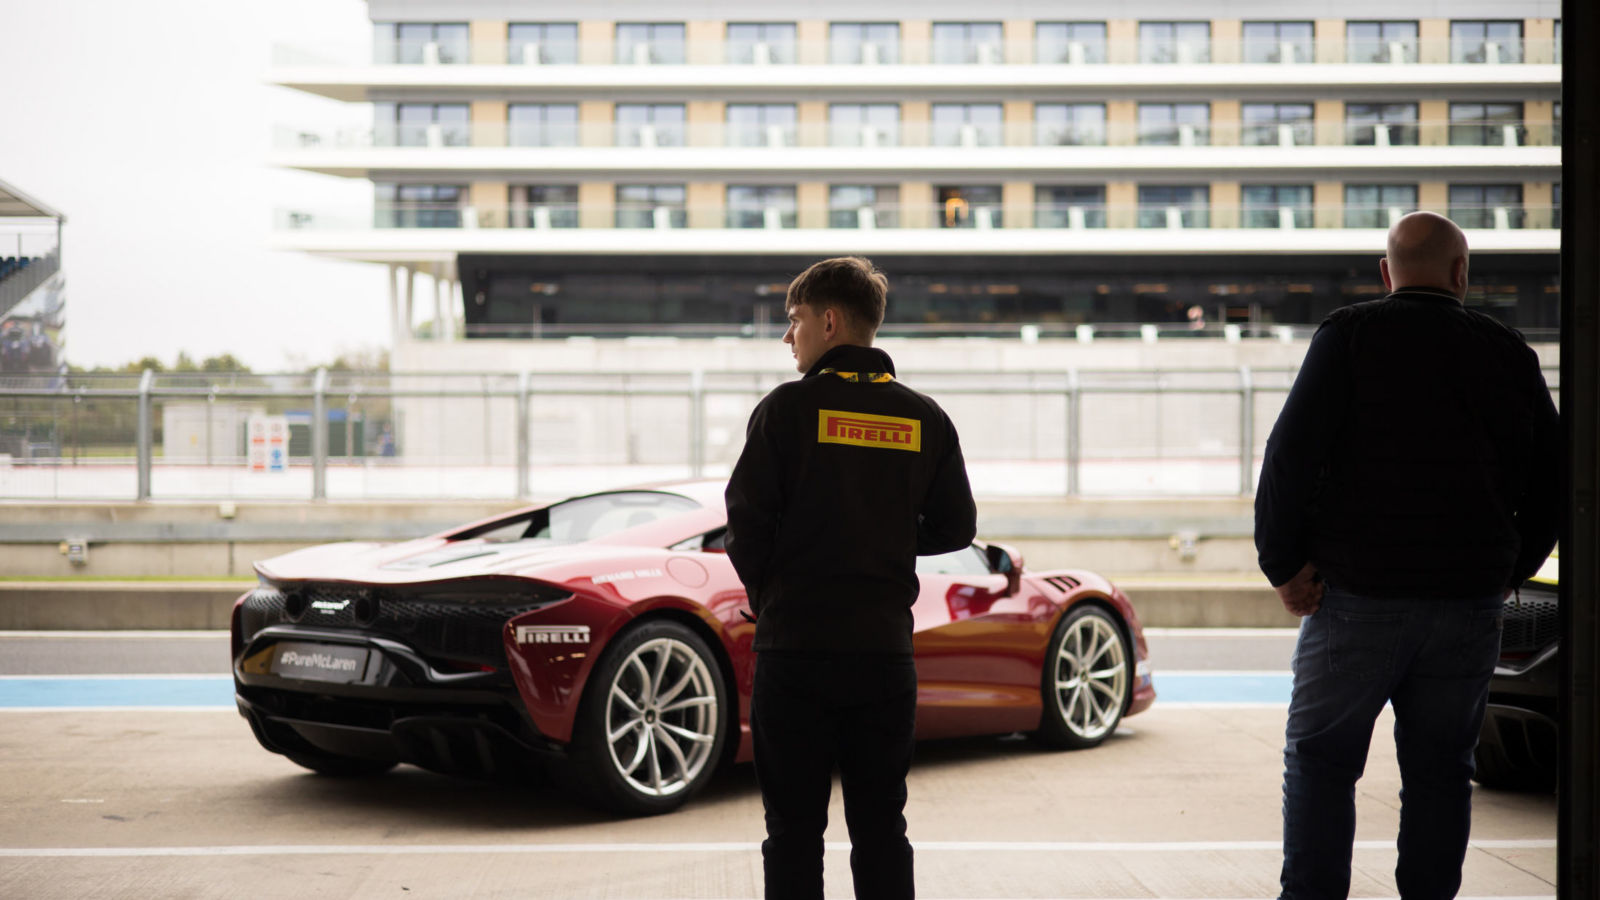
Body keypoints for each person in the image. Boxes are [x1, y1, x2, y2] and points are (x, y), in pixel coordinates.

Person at [1255, 211, 1561, 900]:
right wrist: (1508, 569)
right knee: (1441, 771)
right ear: (1462, 274)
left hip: (1356, 598)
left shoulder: (1349, 337)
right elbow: (1553, 480)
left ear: (1386, 274)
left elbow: (1289, 457)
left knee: (1322, 763)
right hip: (1467, 605)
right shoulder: (1509, 352)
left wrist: (1284, 565)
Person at [725, 256, 977, 900]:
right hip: (882, 657)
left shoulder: (785, 410)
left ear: (829, 321)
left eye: (795, 320)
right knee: (881, 827)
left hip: (796, 653)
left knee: (792, 833)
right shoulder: (923, 417)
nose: (789, 336)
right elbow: (955, 527)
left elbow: (744, 528)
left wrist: (775, 597)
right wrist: (884, 538)